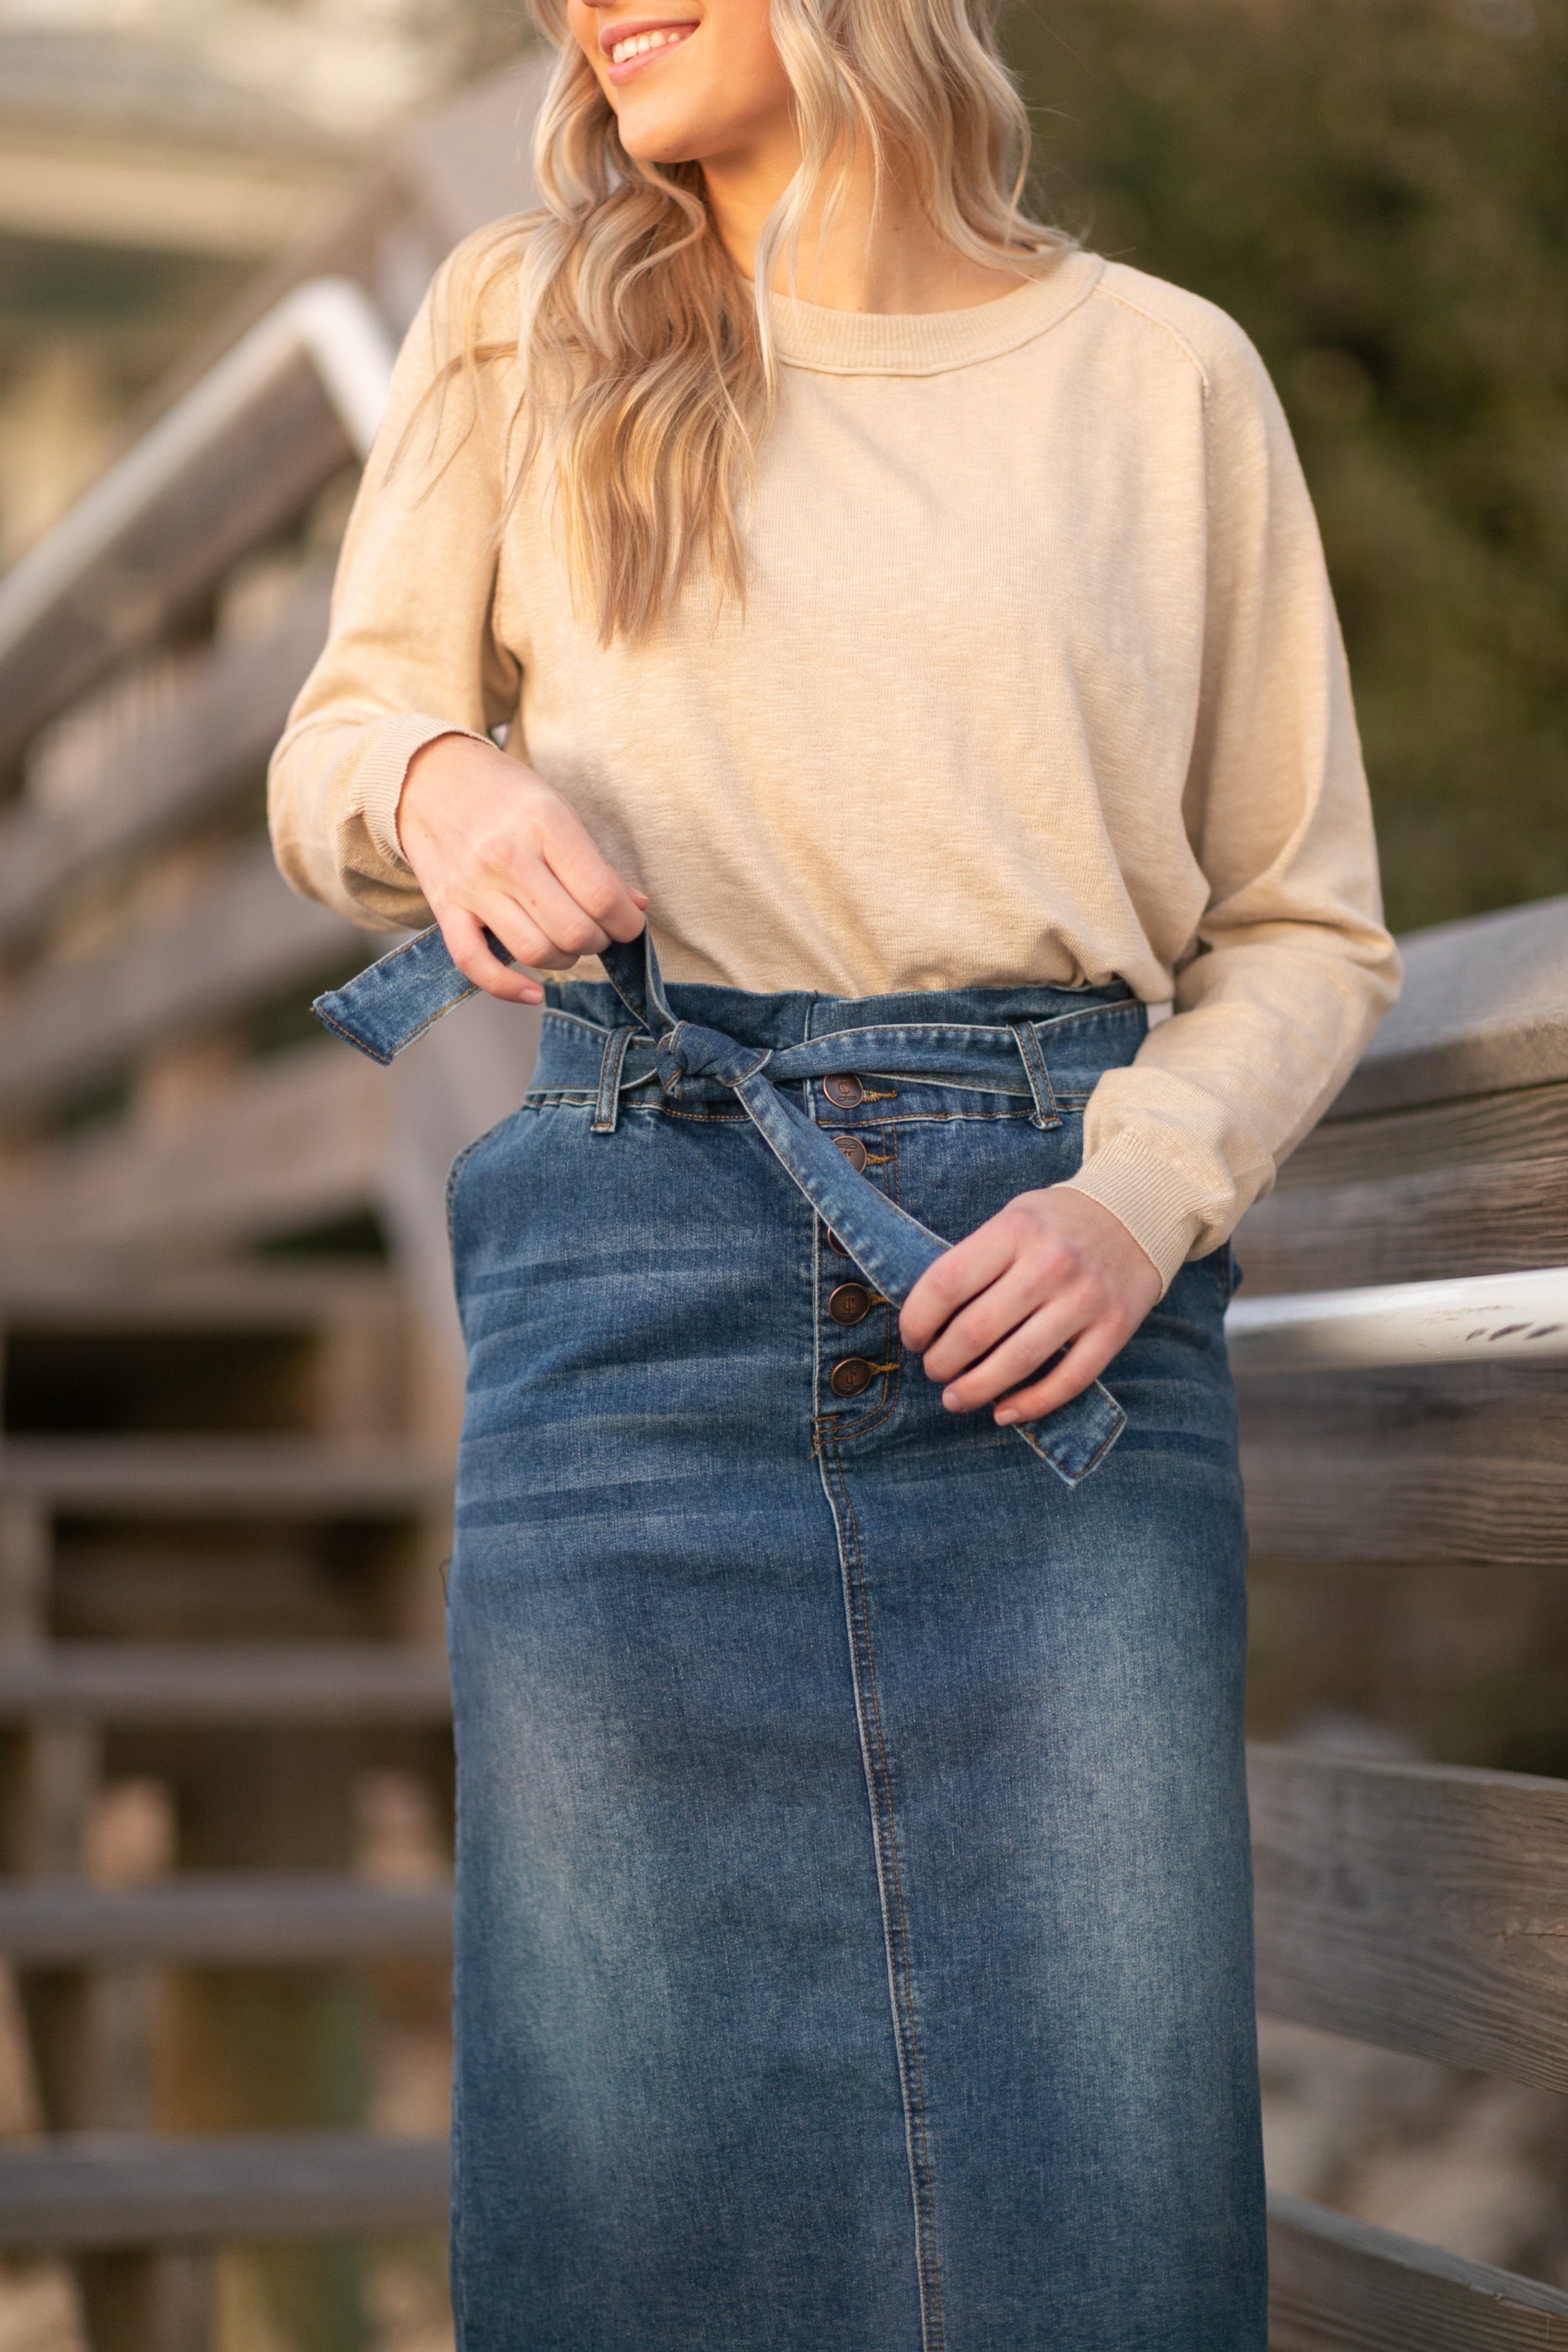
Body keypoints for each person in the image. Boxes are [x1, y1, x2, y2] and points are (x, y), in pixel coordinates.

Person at [269, 0, 1400, 2336]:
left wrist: (1142, 1192)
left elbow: (1300, 919)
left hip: (1053, 1313)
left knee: (1100, 2189)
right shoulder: (528, 313)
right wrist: (451, 791)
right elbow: (343, 741)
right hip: (634, 1271)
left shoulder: (1165, 380)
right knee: (628, 2193)